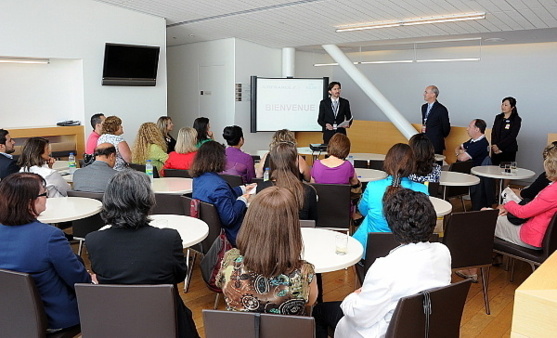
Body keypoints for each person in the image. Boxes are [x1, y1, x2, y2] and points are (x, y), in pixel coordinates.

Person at [313, 189, 451, 338]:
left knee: (319, 311)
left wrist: (352, 296)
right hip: (422, 328)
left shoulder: (385, 267)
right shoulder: (443, 252)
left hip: (382, 332)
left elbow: (360, 317)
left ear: (392, 225)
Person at [85, 170, 199, 338]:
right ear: (146, 200)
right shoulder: (168, 238)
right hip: (165, 318)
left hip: (116, 321)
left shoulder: (93, 240)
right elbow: (179, 275)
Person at [0, 173, 92, 331]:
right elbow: (78, 280)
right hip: (53, 319)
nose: (47, 198)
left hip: (9, 316)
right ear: (30, 203)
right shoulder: (50, 237)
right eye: (44, 194)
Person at [457, 145, 557, 281]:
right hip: (542, 234)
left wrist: (507, 204)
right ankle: (493, 256)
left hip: (531, 236)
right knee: (488, 214)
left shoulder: (552, 191)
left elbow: (522, 213)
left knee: (482, 219)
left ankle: (472, 270)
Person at [216, 186, 318, 315]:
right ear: (292, 227)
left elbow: (220, 284)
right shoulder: (304, 272)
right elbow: (310, 301)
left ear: (249, 222)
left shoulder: (230, 260)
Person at [353, 143, 428, 254]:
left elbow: (363, 211)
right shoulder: (422, 190)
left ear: (388, 162)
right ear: (412, 164)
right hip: (405, 255)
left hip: (370, 252)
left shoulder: (373, 186)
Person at [191, 141, 253, 246]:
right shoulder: (219, 186)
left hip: (208, 233)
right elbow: (230, 218)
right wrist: (243, 200)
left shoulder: (198, 179)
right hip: (232, 235)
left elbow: (222, 196)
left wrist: (243, 189)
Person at [256, 142, 318, 220]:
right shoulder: (308, 191)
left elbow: (259, 218)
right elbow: (313, 222)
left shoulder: (261, 188)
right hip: (300, 231)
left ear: (272, 162)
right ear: (296, 162)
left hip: (270, 232)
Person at [455, 119, 493, 210]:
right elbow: (459, 147)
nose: (467, 129)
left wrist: (458, 154)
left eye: (470, 127)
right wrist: (460, 153)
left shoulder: (480, 144)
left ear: (477, 129)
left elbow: (462, 158)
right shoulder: (473, 141)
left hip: (475, 176)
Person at [491, 97, 522, 165]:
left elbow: (512, 136)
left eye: (506, 105)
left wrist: (499, 146)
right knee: (494, 170)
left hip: (508, 150)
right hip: (495, 150)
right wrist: (494, 145)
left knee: (505, 171)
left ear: (512, 107)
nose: (503, 107)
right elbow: (494, 133)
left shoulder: (516, 119)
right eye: (502, 104)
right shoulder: (498, 117)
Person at [421, 85, 450, 155]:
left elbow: (446, 127)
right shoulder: (424, 107)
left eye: (426, 92)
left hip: (436, 144)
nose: (424, 94)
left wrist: (438, 136)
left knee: (436, 164)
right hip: (425, 143)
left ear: (433, 94)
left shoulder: (441, 109)